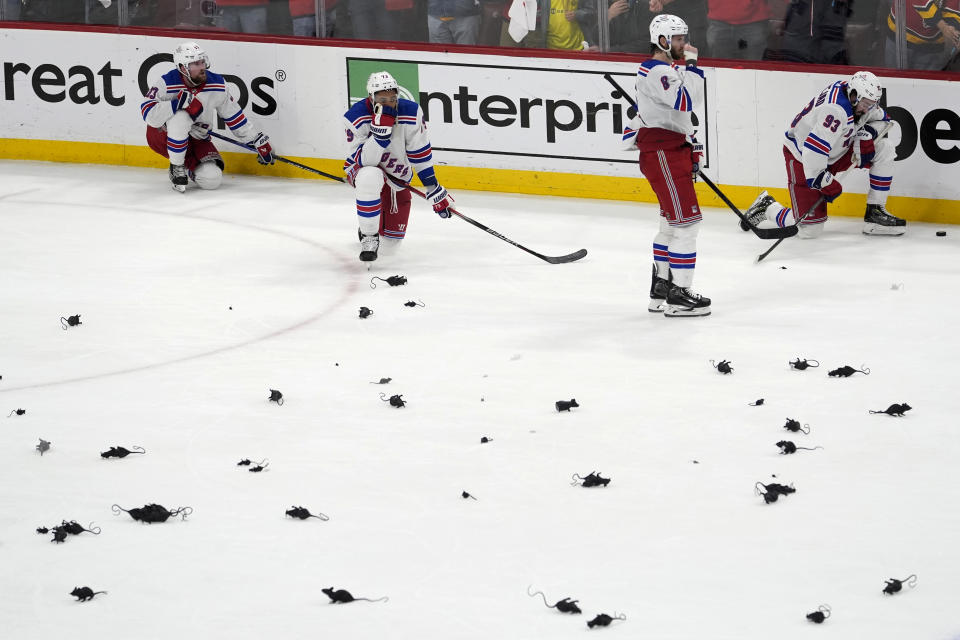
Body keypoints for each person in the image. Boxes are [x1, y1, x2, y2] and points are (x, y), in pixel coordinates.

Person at [741, 71, 905, 237]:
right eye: (865, 103)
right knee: (808, 230)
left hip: (835, 151)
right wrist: (823, 181)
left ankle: (875, 213)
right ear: (854, 95)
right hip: (803, 158)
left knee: (885, 147)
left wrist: (867, 133)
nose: (867, 109)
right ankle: (767, 207)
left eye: (872, 104)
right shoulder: (835, 111)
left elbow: (884, 120)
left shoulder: (857, 97)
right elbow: (813, 150)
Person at [623, 14, 710, 317]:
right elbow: (687, 102)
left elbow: (681, 115)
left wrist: (691, 151)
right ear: (661, 40)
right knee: (688, 224)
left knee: (671, 225)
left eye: (683, 38)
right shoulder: (658, 69)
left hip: (668, 151)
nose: (683, 44)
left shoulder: (664, 69)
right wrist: (694, 67)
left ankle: (661, 288)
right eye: (677, 39)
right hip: (664, 153)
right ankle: (679, 295)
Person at [342, 71, 455, 262]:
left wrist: (432, 187)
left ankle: (370, 226)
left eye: (393, 98)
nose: (389, 103)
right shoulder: (355, 116)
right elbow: (364, 161)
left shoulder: (411, 111)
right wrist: (379, 137)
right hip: (362, 169)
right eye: (383, 99)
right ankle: (369, 235)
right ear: (372, 97)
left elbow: (419, 152)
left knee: (390, 248)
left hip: (398, 175)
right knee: (370, 176)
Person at [140, 41, 274, 193]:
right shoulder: (167, 82)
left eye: (202, 62)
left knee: (212, 180)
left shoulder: (217, 84)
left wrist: (255, 139)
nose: (202, 67)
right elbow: (148, 114)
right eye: (195, 64)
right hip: (163, 136)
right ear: (183, 67)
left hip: (197, 138)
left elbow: (234, 117)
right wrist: (175, 104)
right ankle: (176, 166)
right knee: (181, 117)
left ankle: (188, 166)